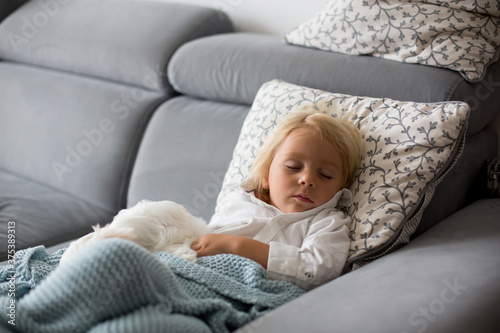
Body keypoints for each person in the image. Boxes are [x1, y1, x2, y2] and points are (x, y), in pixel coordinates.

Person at [191, 110, 364, 290]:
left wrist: (238, 246)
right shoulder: (238, 200)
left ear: (340, 189)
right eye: (293, 167)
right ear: (266, 175)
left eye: (325, 175)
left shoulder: (328, 223)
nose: (307, 179)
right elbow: (202, 241)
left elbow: (319, 269)